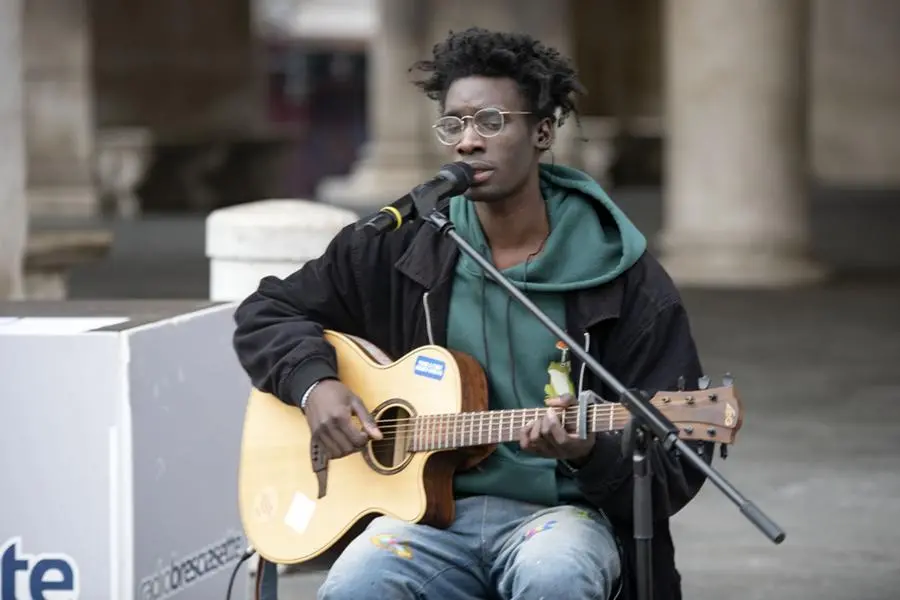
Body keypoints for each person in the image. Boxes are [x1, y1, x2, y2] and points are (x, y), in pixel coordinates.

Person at [233, 26, 713, 600]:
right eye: (454, 124)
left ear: (542, 132)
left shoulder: (626, 276)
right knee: (356, 585)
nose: (467, 142)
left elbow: (679, 458)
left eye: (491, 122)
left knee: (555, 574)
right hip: (429, 519)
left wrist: (590, 452)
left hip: (564, 517)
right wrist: (316, 387)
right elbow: (267, 310)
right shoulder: (400, 244)